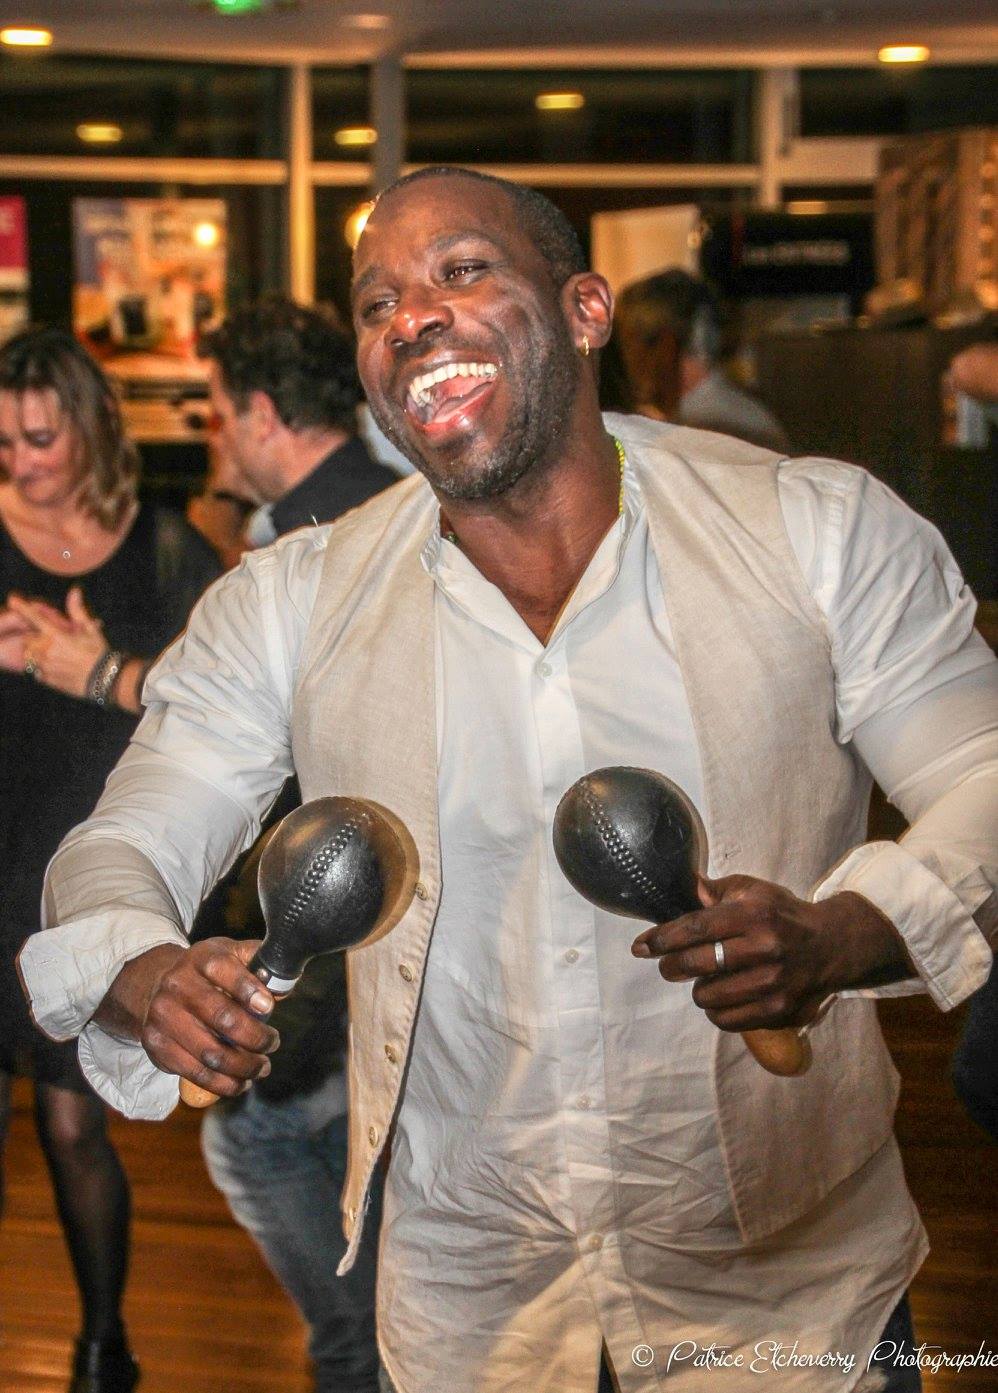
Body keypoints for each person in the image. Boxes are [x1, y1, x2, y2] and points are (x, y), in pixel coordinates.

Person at [19, 170, 998, 1393]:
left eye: (461, 271)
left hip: (786, 1311)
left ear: (584, 310)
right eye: (376, 303)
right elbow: (124, 839)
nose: (410, 317)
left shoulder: (817, 531)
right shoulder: (289, 604)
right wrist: (137, 969)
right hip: (474, 1316)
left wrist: (847, 930)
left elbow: (979, 775)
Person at [0, 326, 220, 1393]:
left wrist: (90, 663)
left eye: (38, 439)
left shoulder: (168, 549)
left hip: (85, 869)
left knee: (70, 1116)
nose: (19, 463)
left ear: (89, 428)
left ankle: (101, 1343)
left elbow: (220, 712)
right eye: (2, 444)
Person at [191, 295, 396, 1393]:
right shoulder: (383, 502)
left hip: (342, 931)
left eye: (218, 411)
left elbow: (289, 761)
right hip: (367, 931)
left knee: (252, 1135)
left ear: (262, 414)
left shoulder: (311, 548)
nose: (214, 433)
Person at [615, 267, 791, 452]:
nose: (627, 361)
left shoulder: (706, 427)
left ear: (665, 346)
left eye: (629, 345)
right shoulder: (747, 416)